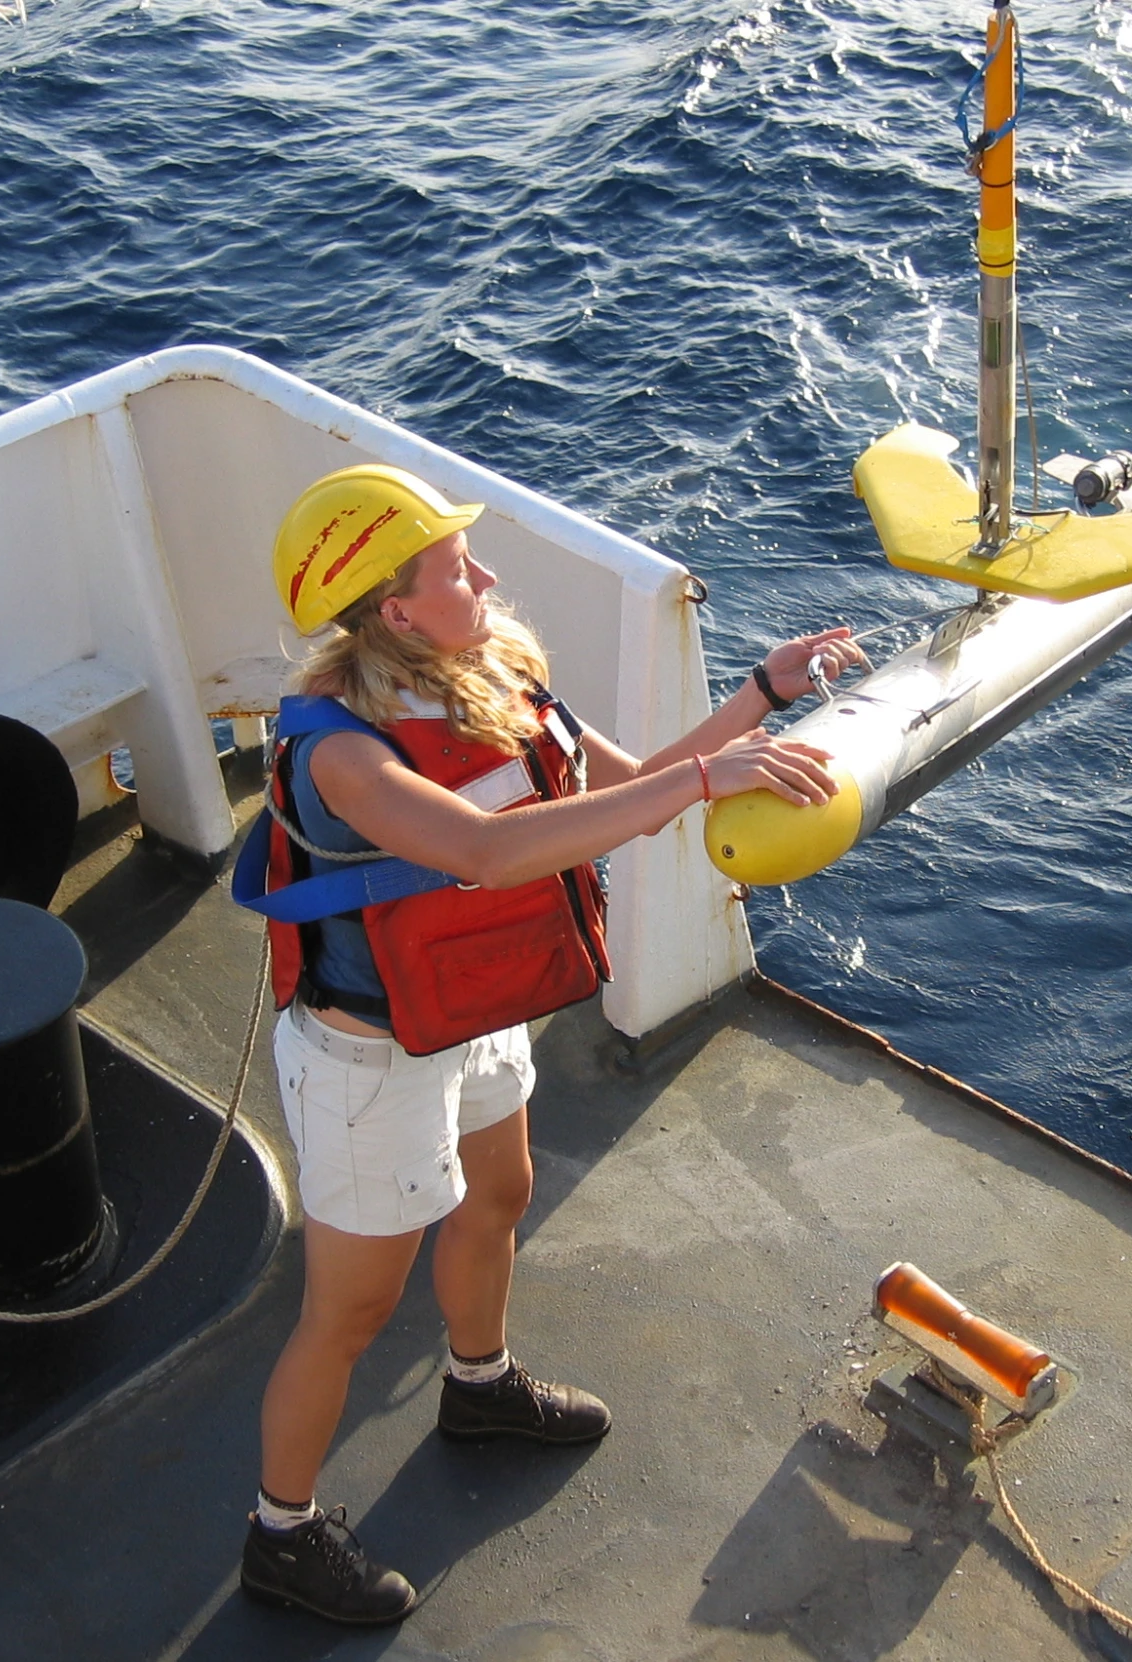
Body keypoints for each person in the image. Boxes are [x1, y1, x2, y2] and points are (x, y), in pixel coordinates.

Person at [234, 462, 865, 1624]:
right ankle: (279, 1535)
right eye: (452, 568)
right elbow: (483, 852)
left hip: (474, 1010)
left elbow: (629, 784)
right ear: (393, 611)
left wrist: (759, 697)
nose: (482, 576)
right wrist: (706, 778)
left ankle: (478, 1388)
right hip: (370, 1058)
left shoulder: (492, 673)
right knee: (352, 1310)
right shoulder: (340, 753)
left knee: (499, 1193)